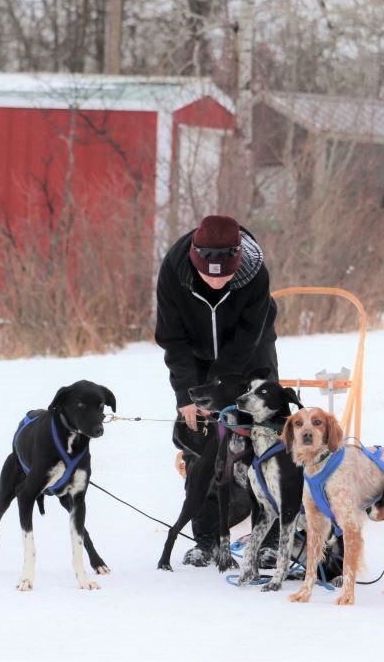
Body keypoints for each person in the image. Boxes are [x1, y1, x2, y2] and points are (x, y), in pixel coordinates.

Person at [155, 214, 280, 567]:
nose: (215, 281)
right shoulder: (174, 270)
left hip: (251, 353)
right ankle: (206, 539)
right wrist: (188, 396)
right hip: (193, 354)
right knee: (203, 442)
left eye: (223, 275)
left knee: (263, 440)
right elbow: (172, 339)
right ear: (195, 259)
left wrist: (221, 391)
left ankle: (269, 539)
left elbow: (246, 339)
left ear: (237, 263)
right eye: (208, 275)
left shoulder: (254, 272)